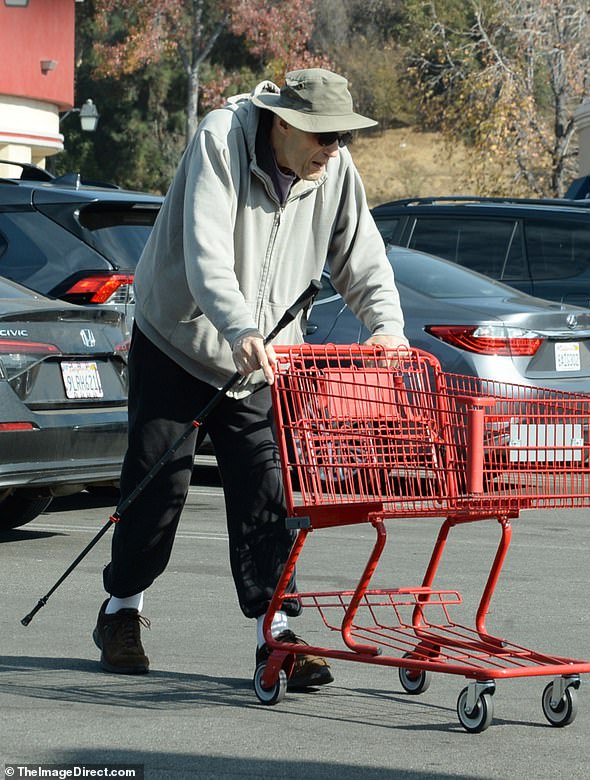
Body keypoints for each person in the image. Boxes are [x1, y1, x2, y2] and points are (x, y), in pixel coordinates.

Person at [92, 67, 408, 688]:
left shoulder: (333, 170)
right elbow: (205, 250)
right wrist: (238, 327)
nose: (335, 149)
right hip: (179, 340)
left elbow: (363, 258)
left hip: (262, 358)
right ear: (283, 123)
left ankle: (277, 633)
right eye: (324, 136)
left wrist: (387, 326)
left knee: (268, 492)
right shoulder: (220, 138)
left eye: (343, 138)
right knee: (158, 491)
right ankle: (121, 610)